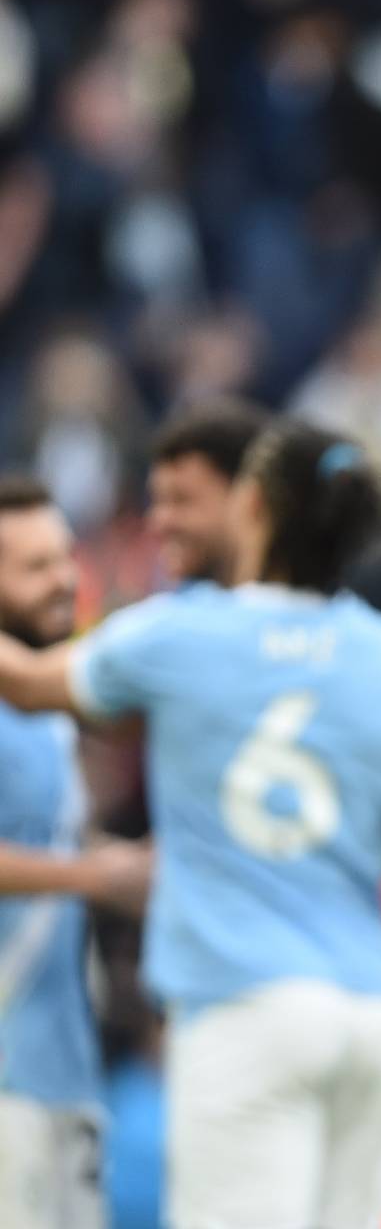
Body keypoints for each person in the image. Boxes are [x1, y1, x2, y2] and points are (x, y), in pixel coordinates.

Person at [0, 422, 381, 1229]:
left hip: (243, 1004)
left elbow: (23, 682)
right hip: (374, 1014)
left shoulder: (182, 635)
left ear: (253, 506)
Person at [0, 478, 149, 1229]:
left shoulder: (44, 704)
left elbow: (41, 839)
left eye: (64, 558)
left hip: (62, 1067)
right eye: (35, 567)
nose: (64, 579)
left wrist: (125, 862)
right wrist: (96, 875)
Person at [146, 398, 270, 584]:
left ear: (251, 501)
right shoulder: (153, 612)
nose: (159, 521)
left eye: (181, 500)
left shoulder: (315, 610)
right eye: (158, 501)